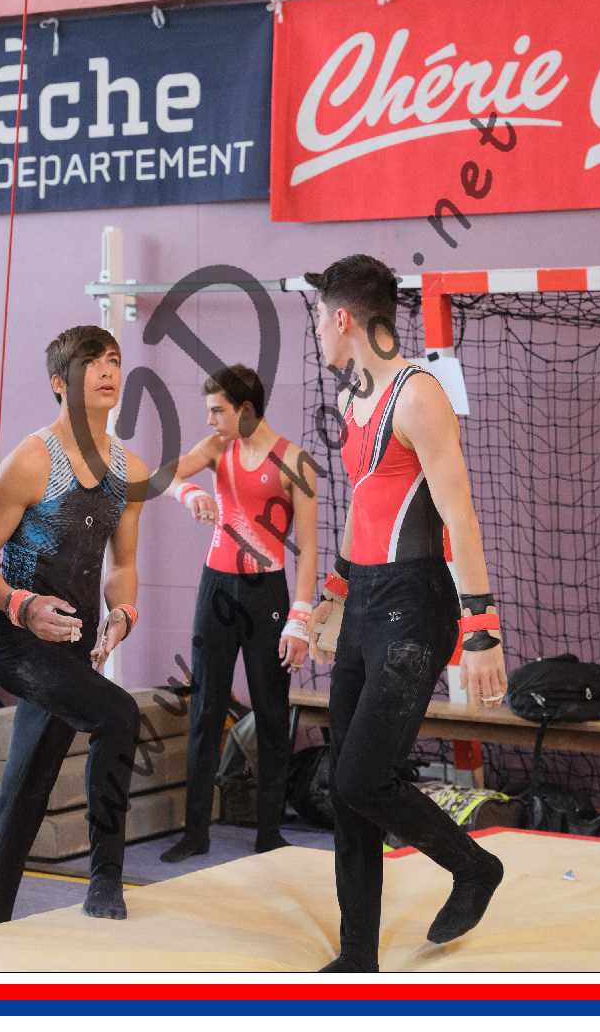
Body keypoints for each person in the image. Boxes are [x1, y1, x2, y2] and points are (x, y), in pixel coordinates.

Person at [305, 255, 507, 972]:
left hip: (415, 606)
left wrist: (481, 628)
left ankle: (474, 868)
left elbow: (460, 514)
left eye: (318, 319)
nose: (317, 334)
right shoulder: (354, 395)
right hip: (365, 598)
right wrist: (335, 590)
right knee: (345, 785)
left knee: (363, 778)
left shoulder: (418, 395)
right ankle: (358, 953)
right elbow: (367, 501)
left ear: (342, 318)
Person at [0, 325, 148, 925]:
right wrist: (23, 606)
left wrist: (123, 614)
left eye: (113, 359)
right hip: (16, 640)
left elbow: (123, 565)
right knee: (119, 714)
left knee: (26, 793)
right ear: (59, 383)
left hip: (70, 647)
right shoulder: (33, 460)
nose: (106, 370)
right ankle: (106, 879)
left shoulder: (129, 470)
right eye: (90, 362)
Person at [159, 365, 318, 862]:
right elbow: (163, 476)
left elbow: (309, 549)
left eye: (217, 411)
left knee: (271, 712)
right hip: (217, 590)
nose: (209, 421)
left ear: (245, 410)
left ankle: (269, 832)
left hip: (266, 595)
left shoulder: (294, 461)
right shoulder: (216, 449)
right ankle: (195, 832)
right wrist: (191, 492)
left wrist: (300, 619)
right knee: (206, 708)